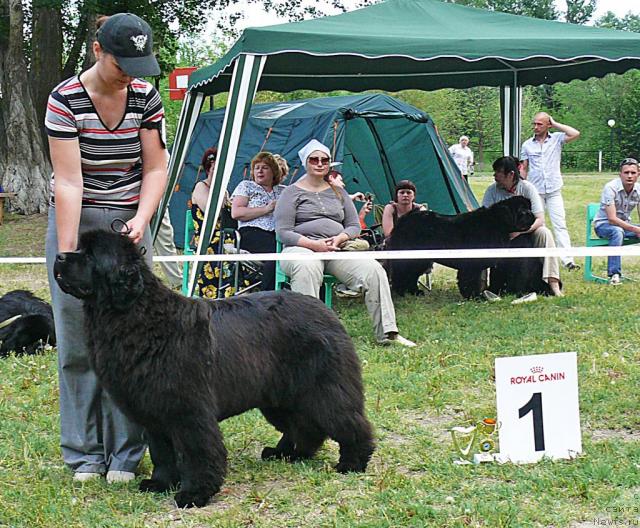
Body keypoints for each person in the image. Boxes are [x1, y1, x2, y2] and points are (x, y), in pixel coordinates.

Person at [44, 13, 167, 483]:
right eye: (123, 64)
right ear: (98, 51)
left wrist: (141, 217)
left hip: (130, 227)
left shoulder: (145, 96)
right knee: (77, 344)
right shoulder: (65, 99)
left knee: (133, 343)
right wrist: (71, 259)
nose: (131, 74)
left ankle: (126, 456)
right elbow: (69, 182)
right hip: (78, 221)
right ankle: (83, 455)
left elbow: (155, 167)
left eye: (139, 64)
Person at [275, 139, 416, 347]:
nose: (320, 163)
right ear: (306, 162)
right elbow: (283, 232)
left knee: (374, 270)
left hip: (336, 248)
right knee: (306, 267)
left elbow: (353, 226)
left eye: (325, 160)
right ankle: (308, 339)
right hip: (301, 248)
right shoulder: (290, 193)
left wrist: (340, 238)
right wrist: (314, 246)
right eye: (315, 159)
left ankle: (388, 333)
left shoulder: (338, 192)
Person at [482, 156, 563, 297]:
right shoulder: (491, 191)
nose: (494, 175)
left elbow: (540, 219)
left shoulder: (527, 188)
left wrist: (520, 232)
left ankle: (553, 284)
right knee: (480, 237)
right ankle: (481, 286)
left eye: (498, 172)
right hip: (500, 234)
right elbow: (484, 218)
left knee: (545, 233)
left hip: (526, 230)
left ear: (511, 174)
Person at [520, 112, 581, 270]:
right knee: (540, 227)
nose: (536, 127)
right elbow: (524, 167)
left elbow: (575, 133)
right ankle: (542, 260)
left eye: (540, 124)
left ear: (548, 125)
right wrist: (522, 187)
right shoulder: (527, 145)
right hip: (536, 190)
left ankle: (567, 260)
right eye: (534, 124)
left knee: (560, 224)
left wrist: (555, 123)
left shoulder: (557, 139)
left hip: (554, 190)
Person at [191, 147, 247, 298]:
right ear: (208, 169)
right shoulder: (200, 187)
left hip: (228, 237)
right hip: (209, 240)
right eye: (215, 168)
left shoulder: (225, 191)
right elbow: (212, 212)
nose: (218, 172)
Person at [231, 152, 284, 290]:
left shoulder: (283, 191)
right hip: (251, 233)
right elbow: (236, 213)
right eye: (256, 168)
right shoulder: (247, 186)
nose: (260, 171)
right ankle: (268, 299)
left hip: (278, 234)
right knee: (277, 256)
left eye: (265, 167)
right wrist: (266, 209)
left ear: (274, 171)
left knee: (292, 252)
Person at [592, 157, 640, 285]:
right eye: (626, 172)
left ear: (638, 174)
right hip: (604, 225)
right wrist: (636, 229)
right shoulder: (610, 188)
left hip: (625, 226)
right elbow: (612, 219)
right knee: (617, 231)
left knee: (621, 230)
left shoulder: (639, 189)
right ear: (620, 174)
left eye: (633, 173)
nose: (630, 176)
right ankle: (614, 274)